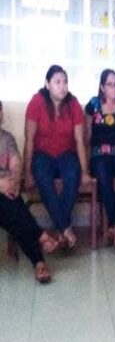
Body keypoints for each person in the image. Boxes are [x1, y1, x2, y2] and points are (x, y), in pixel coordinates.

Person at [24, 65, 90, 250]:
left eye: (65, 82)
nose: (62, 86)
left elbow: (79, 141)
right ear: (47, 84)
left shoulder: (73, 104)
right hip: (42, 154)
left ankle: (62, 229)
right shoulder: (37, 102)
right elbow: (29, 139)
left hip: (66, 153)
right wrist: (27, 173)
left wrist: (85, 171)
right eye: (57, 82)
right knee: (43, 178)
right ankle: (65, 229)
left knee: (73, 176)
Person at [0, 100, 57, 282]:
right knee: (15, 211)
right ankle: (39, 250)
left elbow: (16, 163)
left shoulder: (7, 138)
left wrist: (15, 181)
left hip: (8, 192)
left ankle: (39, 261)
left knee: (14, 212)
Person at [84, 69, 115, 247]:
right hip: (99, 155)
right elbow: (87, 136)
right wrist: (85, 163)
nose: (114, 88)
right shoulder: (93, 104)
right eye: (110, 84)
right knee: (104, 178)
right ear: (102, 87)